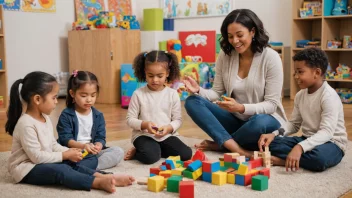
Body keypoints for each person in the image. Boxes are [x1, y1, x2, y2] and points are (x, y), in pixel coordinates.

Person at [6, 71, 134, 192]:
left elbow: (53, 145)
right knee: (62, 170)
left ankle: (104, 176)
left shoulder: (45, 118)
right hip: (26, 168)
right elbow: (36, 157)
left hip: (43, 160)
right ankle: (97, 182)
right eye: (54, 98)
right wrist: (64, 155)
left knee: (70, 163)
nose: (57, 102)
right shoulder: (26, 124)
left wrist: (69, 152)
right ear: (37, 99)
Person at [183, 9, 287, 157]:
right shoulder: (225, 56)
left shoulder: (271, 58)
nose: (235, 41)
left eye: (239, 35)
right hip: (236, 121)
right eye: (230, 36)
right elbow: (215, 93)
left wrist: (240, 107)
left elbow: (271, 105)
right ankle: (237, 148)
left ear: (252, 31)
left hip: (265, 120)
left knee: (259, 122)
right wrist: (198, 90)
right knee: (192, 101)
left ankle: (223, 145)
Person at [258, 48, 347, 172]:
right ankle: (297, 158)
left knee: (319, 159)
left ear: (316, 72)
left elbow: (327, 132)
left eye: (300, 72)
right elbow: (294, 124)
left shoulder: (329, 96)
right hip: (307, 138)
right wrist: (274, 134)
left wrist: (300, 147)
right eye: (295, 72)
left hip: (332, 143)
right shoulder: (300, 95)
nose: (296, 76)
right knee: (270, 144)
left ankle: (284, 161)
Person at [124, 50, 192, 164]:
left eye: (159, 76)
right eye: (150, 76)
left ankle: (156, 150)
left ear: (167, 73)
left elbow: (178, 120)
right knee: (150, 157)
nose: (155, 80)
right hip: (144, 135)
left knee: (186, 154)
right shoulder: (138, 94)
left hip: (165, 135)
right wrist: (145, 124)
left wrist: (169, 128)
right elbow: (129, 120)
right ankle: (138, 151)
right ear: (145, 72)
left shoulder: (172, 94)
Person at [57, 70, 124, 170]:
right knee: (59, 155)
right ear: (72, 93)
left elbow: (100, 137)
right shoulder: (66, 115)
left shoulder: (98, 115)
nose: (89, 99)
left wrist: (98, 145)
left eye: (93, 95)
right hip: (74, 151)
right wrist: (83, 146)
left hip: (91, 153)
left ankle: (88, 167)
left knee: (118, 151)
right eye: (84, 96)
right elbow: (65, 139)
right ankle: (84, 166)